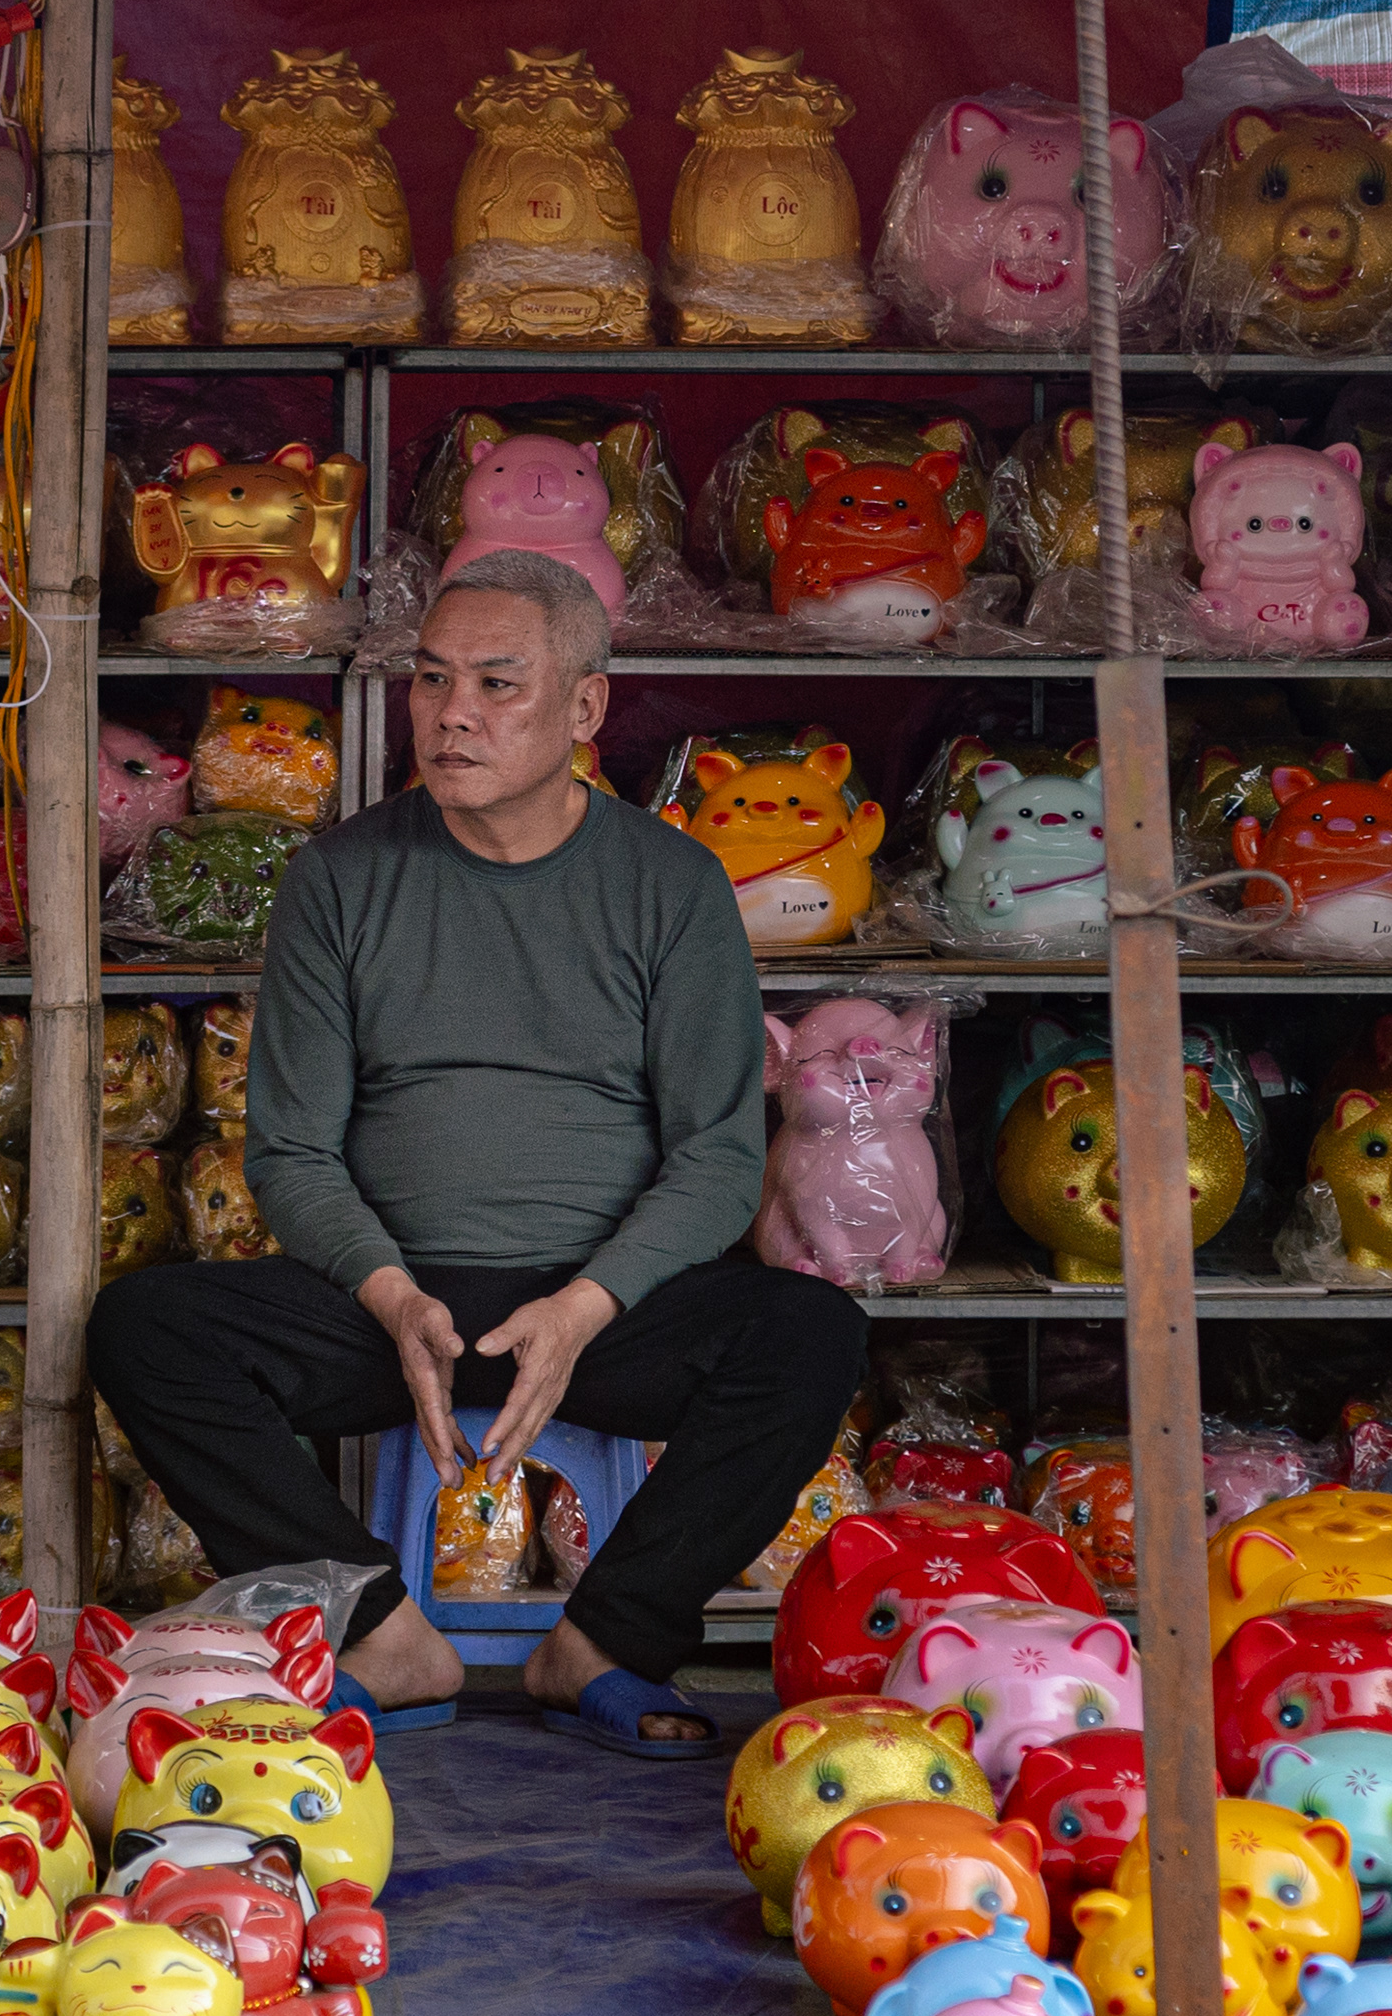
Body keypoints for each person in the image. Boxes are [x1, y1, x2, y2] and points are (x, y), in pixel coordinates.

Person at [87, 550, 870, 1754]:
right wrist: (394, 1296)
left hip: (603, 1310)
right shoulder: (340, 878)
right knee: (148, 1329)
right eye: (431, 678)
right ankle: (377, 1633)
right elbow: (291, 1150)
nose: (452, 713)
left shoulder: (672, 885)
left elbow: (717, 1159)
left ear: (585, 705)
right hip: (391, 1306)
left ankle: (602, 1644)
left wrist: (586, 1305)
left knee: (810, 1335)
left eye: (498, 683)